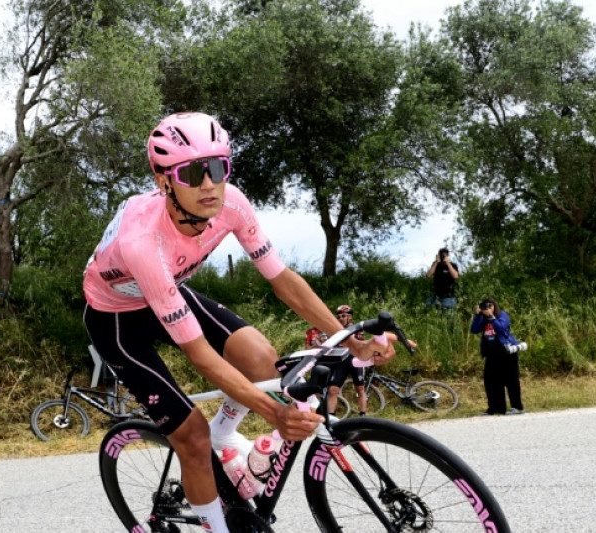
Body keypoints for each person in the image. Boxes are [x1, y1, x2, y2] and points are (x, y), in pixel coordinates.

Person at [82, 112, 385, 533]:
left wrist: (349, 340)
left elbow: (283, 280)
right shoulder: (142, 243)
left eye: (217, 167)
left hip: (168, 291)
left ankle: (227, 437)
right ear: (164, 181)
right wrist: (274, 414)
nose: (208, 183)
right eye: (191, 172)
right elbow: (201, 356)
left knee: (261, 358)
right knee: (191, 437)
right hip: (116, 321)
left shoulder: (233, 204)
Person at [320, 305, 404, 417]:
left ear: (350, 317)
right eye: (338, 316)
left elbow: (364, 345)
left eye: (343, 316)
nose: (340, 318)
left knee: (360, 389)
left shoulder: (358, 328)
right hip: (341, 362)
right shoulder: (337, 329)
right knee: (333, 390)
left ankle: (362, 415)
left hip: (355, 360)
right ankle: (331, 418)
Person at [470, 298, 525, 416]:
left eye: (490, 306)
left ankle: (517, 407)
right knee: (491, 382)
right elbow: (474, 330)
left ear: (494, 306)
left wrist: (491, 317)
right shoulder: (483, 318)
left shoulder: (502, 315)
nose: (488, 308)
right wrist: (478, 315)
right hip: (491, 354)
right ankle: (496, 408)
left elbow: (501, 328)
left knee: (511, 381)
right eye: (485, 306)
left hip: (506, 352)